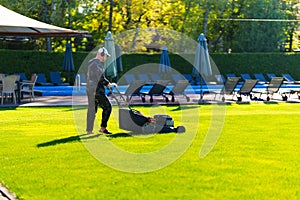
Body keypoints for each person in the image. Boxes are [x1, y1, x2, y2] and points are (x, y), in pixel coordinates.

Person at [86, 47, 112, 134]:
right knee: (108, 107)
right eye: (105, 56)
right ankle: (103, 128)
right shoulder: (97, 64)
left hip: (90, 89)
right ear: (101, 55)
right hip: (97, 90)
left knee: (92, 110)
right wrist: (107, 83)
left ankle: (89, 130)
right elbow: (100, 77)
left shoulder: (91, 63)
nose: (106, 58)